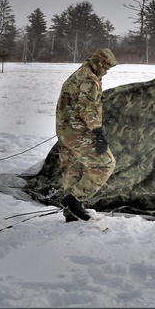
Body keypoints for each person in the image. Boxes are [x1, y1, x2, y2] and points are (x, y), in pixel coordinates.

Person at [55, 48, 118, 222]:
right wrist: (98, 133)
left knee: (73, 169)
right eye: (105, 67)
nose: (105, 72)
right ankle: (74, 199)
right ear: (99, 63)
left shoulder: (79, 74)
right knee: (105, 163)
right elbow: (88, 109)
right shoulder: (89, 79)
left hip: (65, 130)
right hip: (77, 131)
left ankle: (71, 214)